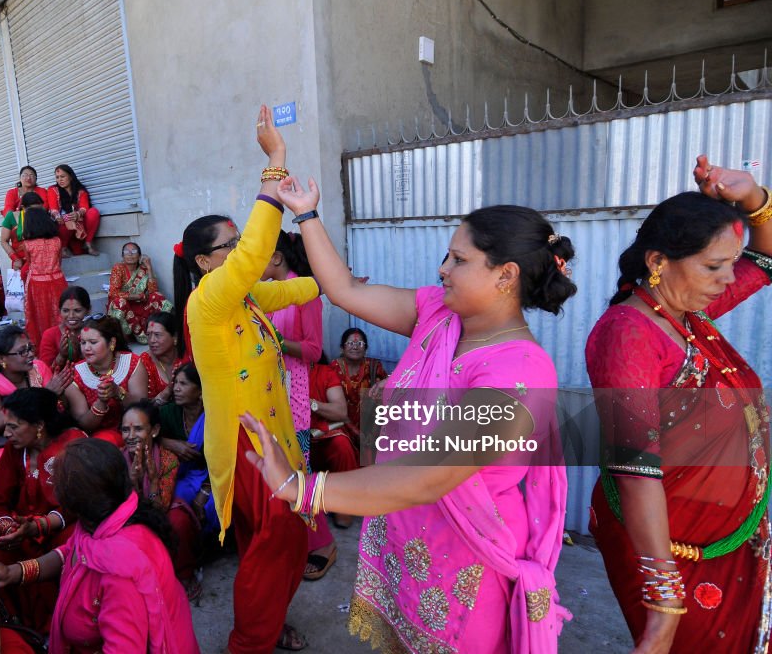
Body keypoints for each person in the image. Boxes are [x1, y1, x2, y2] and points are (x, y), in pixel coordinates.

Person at [247, 173, 579, 653]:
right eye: (447, 255)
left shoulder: (520, 371)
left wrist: (302, 488)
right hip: (404, 540)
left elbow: (429, 476)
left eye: (459, 259)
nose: (443, 268)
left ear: (506, 275)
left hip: (465, 561)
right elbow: (342, 289)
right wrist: (307, 213)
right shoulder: (437, 315)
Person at [586, 157, 772, 653]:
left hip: (733, 539)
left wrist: (754, 199)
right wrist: (664, 599)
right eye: (715, 266)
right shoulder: (629, 335)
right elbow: (635, 469)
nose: (729, 279)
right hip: (669, 553)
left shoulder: (685, 312)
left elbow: (769, 258)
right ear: (657, 261)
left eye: (732, 263)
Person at [170, 105, 315, 653]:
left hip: (267, 436)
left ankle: (267, 622)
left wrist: (330, 282)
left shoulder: (241, 297)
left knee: (270, 538)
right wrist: (275, 163)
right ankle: (250, 641)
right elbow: (259, 253)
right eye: (228, 246)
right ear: (206, 262)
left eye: (236, 242)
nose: (240, 252)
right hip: (245, 441)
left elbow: (284, 290)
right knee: (281, 535)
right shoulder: (209, 298)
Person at [0, 438, 200, 654]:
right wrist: (13, 573)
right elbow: (69, 552)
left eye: (55, 483)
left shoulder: (121, 574)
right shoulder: (104, 521)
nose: (50, 485)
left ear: (71, 504)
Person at [262, 228, 336, 581]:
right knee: (276, 468)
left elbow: (313, 350)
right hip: (269, 394)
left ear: (277, 257)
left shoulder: (304, 293)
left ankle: (322, 543)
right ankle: (294, 540)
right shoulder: (264, 295)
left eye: (260, 254)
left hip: (293, 395)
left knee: (297, 469)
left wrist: (276, 341)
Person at [0, 387, 85, 634]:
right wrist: (11, 529)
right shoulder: (15, 449)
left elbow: (81, 502)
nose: (6, 433)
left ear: (39, 425)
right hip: (22, 529)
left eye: (14, 427)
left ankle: (59, 627)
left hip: (63, 528)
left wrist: (38, 527)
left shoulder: (75, 445)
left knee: (73, 545)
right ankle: (16, 625)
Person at [0, 326, 78, 475]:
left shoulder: (38, 368)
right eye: (22, 352)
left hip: (44, 437)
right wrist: (46, 394)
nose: (31, 355)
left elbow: (60, 407)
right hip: (5, 446)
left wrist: (57, 396)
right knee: (1, 470)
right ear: (1, 359)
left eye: (30, 348)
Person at [120, 400, 200, 598]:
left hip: (158, 511)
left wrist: (153, 481)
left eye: (138, 429)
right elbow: (119, 510)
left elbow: (160, 508)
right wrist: (133, 484)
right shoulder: (116, 460)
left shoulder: (167, 459)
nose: (130, 437)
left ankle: (185, 573)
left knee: (179, 520)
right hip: (129, 517)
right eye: (125, 430)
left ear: (154, 431)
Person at [160, 362, 217, 538]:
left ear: (200, 391)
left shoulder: (216, 416)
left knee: (212, 505)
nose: (176, 389)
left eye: (183, 384)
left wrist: (205, 491)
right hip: (182, 475)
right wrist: (170, 443)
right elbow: (150, 434)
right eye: (175, 383)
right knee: (176, 500)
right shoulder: (169, 413)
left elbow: (224, 459)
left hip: (214, 478)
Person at [71, 315, 146, 447]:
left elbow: (144, 407)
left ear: (111, 343)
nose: (86, 348)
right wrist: (101, 402)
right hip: (100, 442)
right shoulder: (76, 374)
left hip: (136, 430)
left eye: (93, 342)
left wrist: (118, 392)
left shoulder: (132, 362)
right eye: (83, 342)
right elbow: (84, 425)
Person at [306, 360, 356, 531]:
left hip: (322, 435)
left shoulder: (325, 373)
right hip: (293, 435)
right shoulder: (280, 370)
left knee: (341, 445)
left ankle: (344, 506)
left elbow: (340, 411)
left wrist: (311, 403)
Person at [107, 242, 173, 344]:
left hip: (141, 306)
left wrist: (149, 268)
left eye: (134, 251)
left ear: (139, 256)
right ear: (122, 256)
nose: (130, 254)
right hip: (125, 306)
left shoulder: (143, 269)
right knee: (118, 302)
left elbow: (153, 290)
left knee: (157, 296)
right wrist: (137, 296)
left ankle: (169, 330)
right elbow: (113, 293)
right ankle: (134, 336)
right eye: (126, 252)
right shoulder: (118, 268)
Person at [21, 206, 67, 348]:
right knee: (61, 315)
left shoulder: (27, 244)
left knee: (41, 318)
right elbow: (59, 262)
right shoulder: (57, 241)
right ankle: (65, 344)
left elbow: (30, 264)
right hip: (58, 280)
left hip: (37, 283)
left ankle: (46, 347)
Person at [331, 328, 387, 439]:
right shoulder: (333, 369)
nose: (355, 347)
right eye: (350, 343)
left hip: (371, 427)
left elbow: (384, 401)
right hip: (341, 425)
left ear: (366, 348)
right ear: (342, 348)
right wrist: (354, 432)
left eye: (360, 343)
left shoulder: (374, 367)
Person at [46, 164, 101, 256]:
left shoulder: (80, 191)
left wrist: (78, 214)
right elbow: (53, 209)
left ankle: (88, 243)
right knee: (67, 218)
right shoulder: (53, 190)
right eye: (57, 177)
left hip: (80, 227)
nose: (60, 180)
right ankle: (63, 248)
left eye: (63, 176)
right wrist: (57, 216)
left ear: (71, 176)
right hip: (64, 228)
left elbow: (84, 207)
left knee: (93, 212)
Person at [38, 286, 90, 373]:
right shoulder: (50, 335)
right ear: (59, 311)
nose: (71, 316)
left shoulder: (94, 332)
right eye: (65, 311)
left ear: (88, 310)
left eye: (77, 310)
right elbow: (44, 373)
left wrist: (81, 352)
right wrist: (61, 356)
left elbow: (102, 365)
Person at [0, 190, 46, 279]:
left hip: (39, 260)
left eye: (39, 209)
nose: (37, 213)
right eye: (32, 210)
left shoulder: (43, 216)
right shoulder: (12, 216)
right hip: (19, 261)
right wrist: (15, 259)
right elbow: (4, 241)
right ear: (23, 208)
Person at [139, 311, 180, 403]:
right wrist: (167, 392)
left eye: (157, 335)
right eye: (148, 335)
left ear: (175, 337)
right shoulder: (144, 362)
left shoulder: (185, 356)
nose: (152, 340)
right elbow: (143, 408)